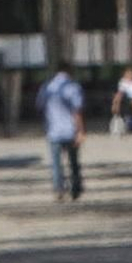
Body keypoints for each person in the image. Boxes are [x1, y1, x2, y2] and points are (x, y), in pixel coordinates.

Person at [36, 60, 86, 201]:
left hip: (53, 130)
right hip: (70, 130)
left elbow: (40, 106)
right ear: (70, 71)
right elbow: (77, 111)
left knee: (56, 163)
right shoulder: (73, 87)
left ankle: (59, 189)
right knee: (73, 161)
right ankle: (75, 188)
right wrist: (81, 130)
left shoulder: (47, 87)